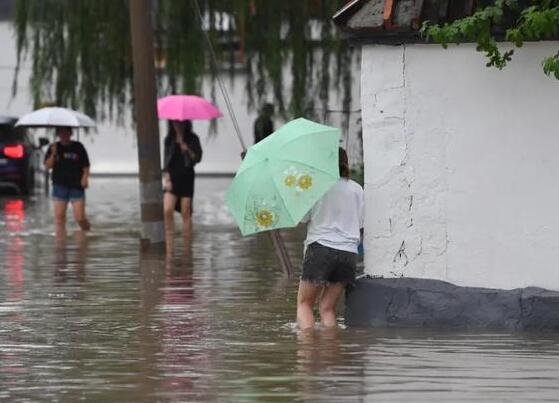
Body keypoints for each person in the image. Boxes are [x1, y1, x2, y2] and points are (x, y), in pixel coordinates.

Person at [296, 147, 364, 330]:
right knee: (327, 309)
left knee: (304, 304)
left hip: (320, 249)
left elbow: (302, 218)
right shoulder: (357, 189)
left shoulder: (315, 186)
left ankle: (307, 353)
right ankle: (330, 353)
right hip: (348, 254)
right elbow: (361, 221)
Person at [162, 120, 203, 254]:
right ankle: (169, 244)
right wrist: (167, 178)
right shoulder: (169, 139)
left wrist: (186, 148)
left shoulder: (193, 138)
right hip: (173, 178)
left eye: (180, 123)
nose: (177, 125)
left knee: (186, 212)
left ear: (186, 123)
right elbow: (166, 162)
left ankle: (187, 247)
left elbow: (197, 158)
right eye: (175, 123)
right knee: (167, 209)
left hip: (187, 178)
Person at [44, 126, 91, 237]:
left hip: (76, 186)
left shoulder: (78, 147)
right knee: (59, 218)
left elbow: (86, 165)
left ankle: (87, 232)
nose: (64, 135)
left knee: (80, 218)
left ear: (71, 133)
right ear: (58, 134)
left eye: (66, 132)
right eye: (61, 132)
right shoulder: (53, 147)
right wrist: (53, 154)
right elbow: (47, 166)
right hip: (59, 185)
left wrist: (85, 178)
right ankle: (61, 246)